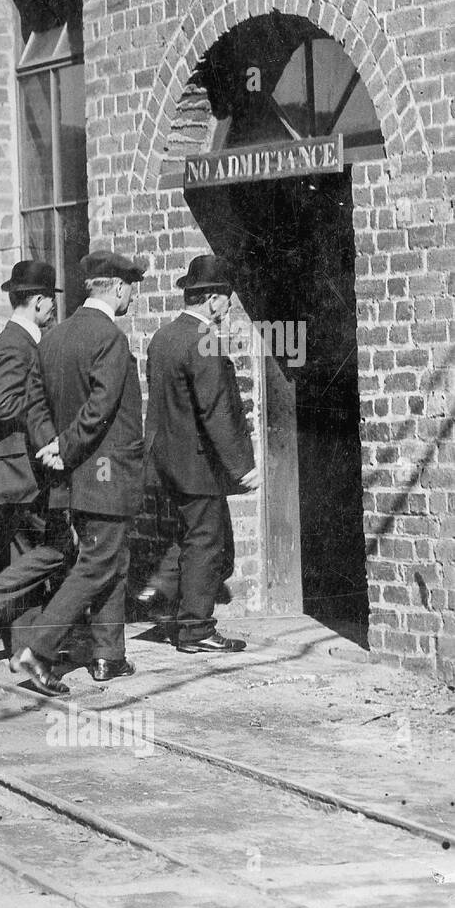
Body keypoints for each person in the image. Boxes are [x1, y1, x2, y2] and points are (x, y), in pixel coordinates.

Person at [10, 250, 147, 694]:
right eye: (131, 288)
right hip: (104, 473)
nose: (131, 296)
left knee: (109, 561)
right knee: (96, 564)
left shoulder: (53, 337)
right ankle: (37, 650)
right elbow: (101, 408)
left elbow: (32, 398)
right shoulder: (111, 337)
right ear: (120, 288)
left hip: (72, 477)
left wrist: (50, 444)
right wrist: (65, 449)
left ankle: (109, 655)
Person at [141, 254, 259, 652]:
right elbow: (216, 411)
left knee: (194, 537)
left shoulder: (162, 338)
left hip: (166, 463)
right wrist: (243, 467)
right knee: (210, 543)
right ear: (212, 300)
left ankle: (161, 594)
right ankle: (195, 629)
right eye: (227, 300)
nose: (229, 309)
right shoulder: (204, 341)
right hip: (198, 466)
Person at [0, 261, 70, 649]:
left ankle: (24, 648)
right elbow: (3, 404)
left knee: (26, 555)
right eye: (49, 301)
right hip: (14, 471)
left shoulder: (21, 340)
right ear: (38, 302)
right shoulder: (15, 342)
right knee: (46, 550)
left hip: (16, 471)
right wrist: (45, 400)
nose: (53, 309)